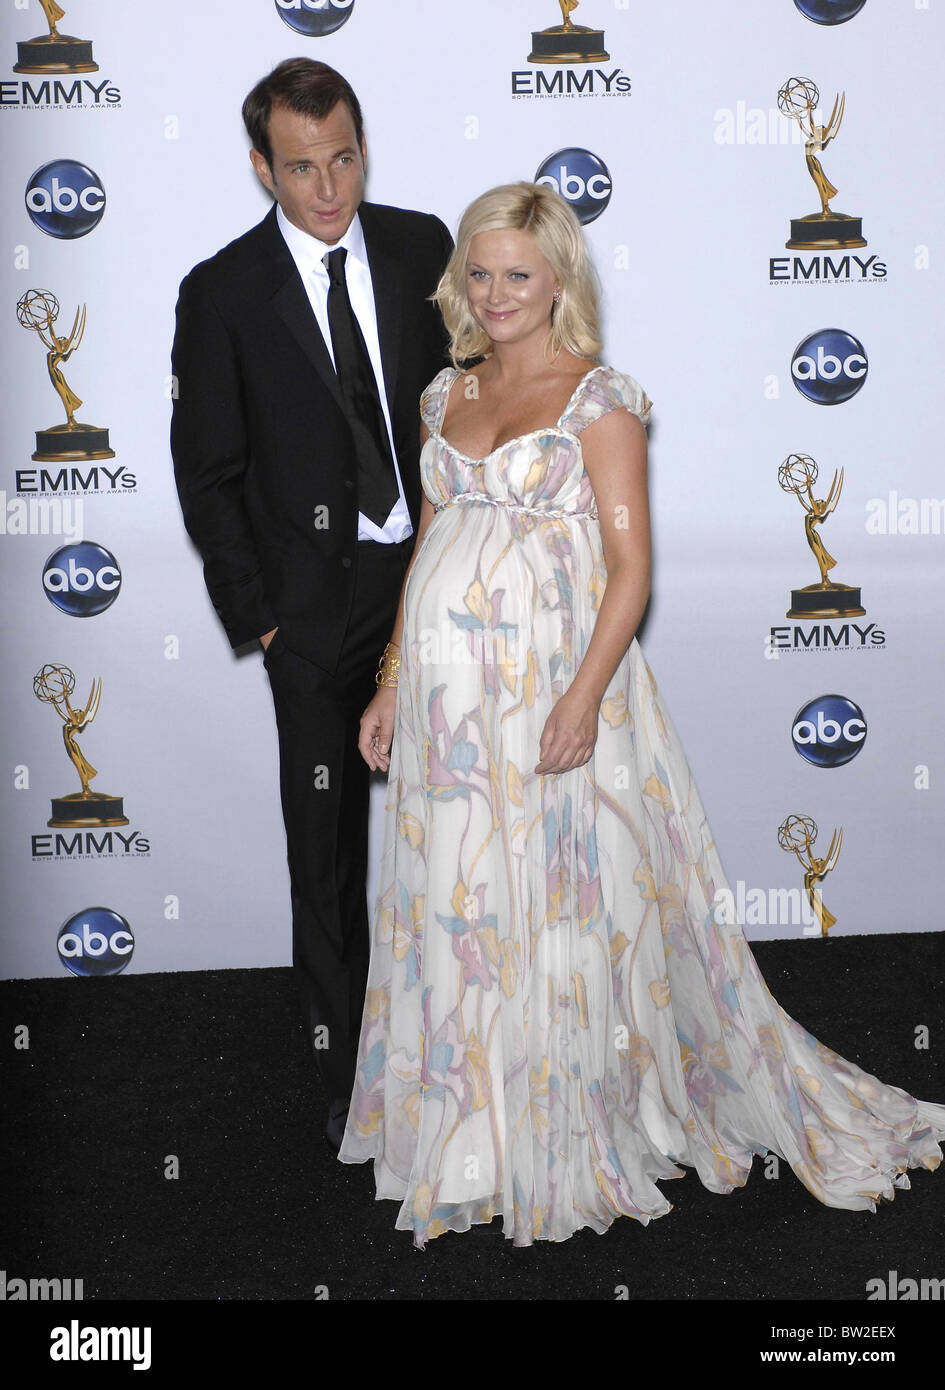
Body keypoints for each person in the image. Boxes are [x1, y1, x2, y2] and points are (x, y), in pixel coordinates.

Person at [337, 181, 945, 1245]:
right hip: (449, 707)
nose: (495, 294)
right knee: (463, 902)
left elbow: (631, 569)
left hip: (554, 698)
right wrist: (391, 676)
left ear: (560, 277)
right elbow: (428, 547)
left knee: (561, 904)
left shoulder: (599, 402)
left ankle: (564, 1125)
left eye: (518, 274)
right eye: (479, 274)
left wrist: (581, 698)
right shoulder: (445, 395)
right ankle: (465, 1131)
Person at [170, 59, 453, 1152]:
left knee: (463, 824)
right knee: (326, 850)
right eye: (301, 167)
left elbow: (467, 396)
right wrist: (268, 624)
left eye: (343, 157)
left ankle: (470, 1040)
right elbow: (209, 472)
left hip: (436, 584)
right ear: (261, 168)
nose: (329, 188)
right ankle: (351, 1073)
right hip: (312, 616)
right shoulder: (224, 291)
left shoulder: (426, 245)